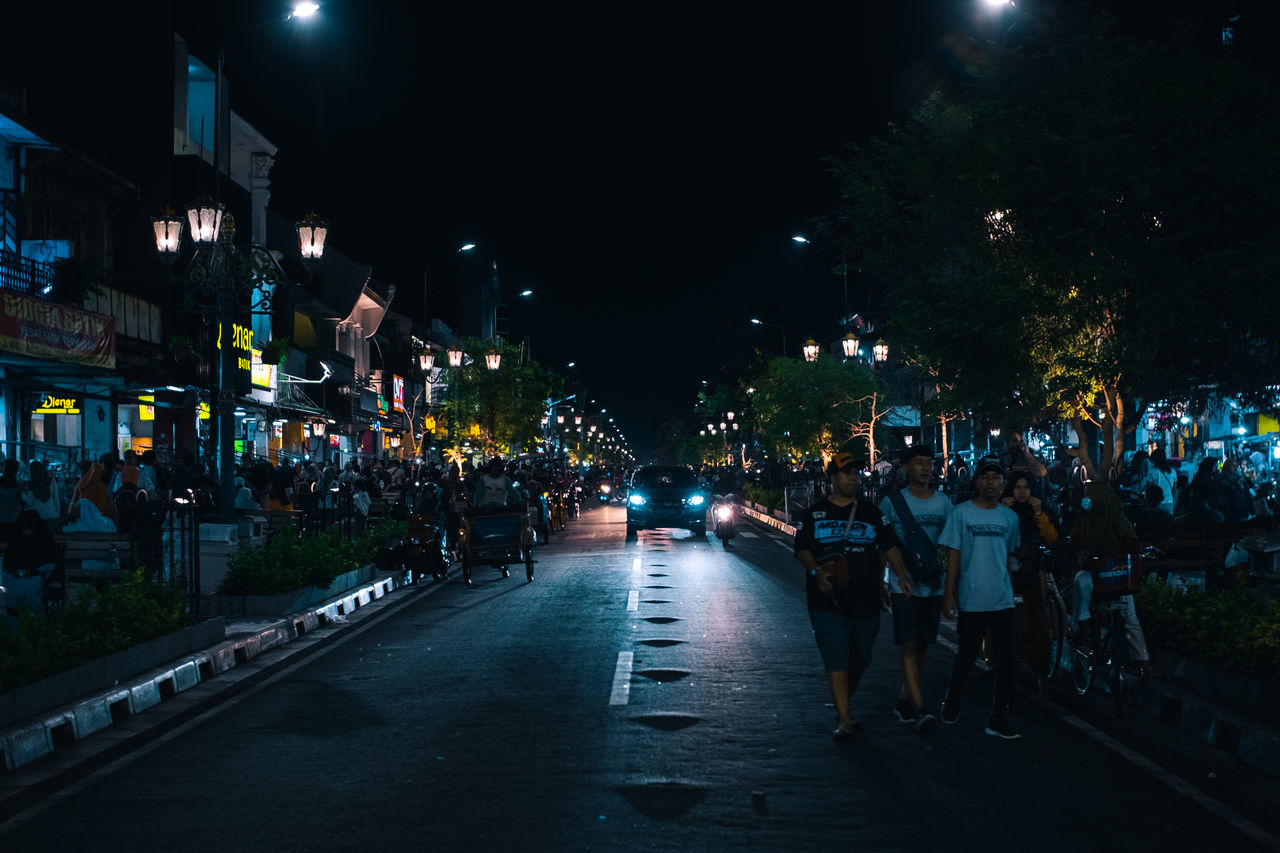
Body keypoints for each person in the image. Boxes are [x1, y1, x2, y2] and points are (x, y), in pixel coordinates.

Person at [794, 452, 912, 740]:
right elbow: (802, 549)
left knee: (860, 658)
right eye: (846, 473)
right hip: (827, 600)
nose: (853, 477)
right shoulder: (814, 514)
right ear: (832, 478)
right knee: (837, 657)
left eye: (856, 472)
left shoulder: (872, 513)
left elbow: (888, 546)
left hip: (867, 598)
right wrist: (816, 572)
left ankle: (843, 702)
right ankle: (845, 718)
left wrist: (901, 574)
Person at [939, 455, 1023, 739]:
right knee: (966, 656)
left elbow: (1008, 557)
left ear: (1003, 484)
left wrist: (1012, 594)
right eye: (985, 476)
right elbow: (953, 556)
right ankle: (952, 701)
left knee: (1009, 659)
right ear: (976, 481)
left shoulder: (1009, 518)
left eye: (995, 477)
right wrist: (949, 595)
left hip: (1002, 599)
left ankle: (998, 716)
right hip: (972, 598)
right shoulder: (961, 513)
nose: (990, 482)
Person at [878, 444, 951, 732]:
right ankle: (920, 707)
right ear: (906, 467)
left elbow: (949, 545)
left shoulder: (944, 503)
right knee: (908, 645)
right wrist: (883, 580)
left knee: (922, 645)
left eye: (929, 463)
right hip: (903, 584)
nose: (925, 468)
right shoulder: (892, 503)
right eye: (919, 463)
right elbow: (883, 545)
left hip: (933, 585)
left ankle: (904, 698)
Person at [1069, 479, 1153, 676]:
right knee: (1081, 583)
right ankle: (1082, 626)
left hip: (1119, 574)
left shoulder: (1119, 520)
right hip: (1094, 573)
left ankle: (1142, 659)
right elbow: (1073, 543)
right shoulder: (1084, 520)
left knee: (1129, 615)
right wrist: (1080, 554)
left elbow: (1132, 544)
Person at [1001, 469, 1059, 682]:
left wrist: (1038, 513)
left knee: (1036, 620)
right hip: (1006, 572)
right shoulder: (1002, 509)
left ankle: (1039, 667)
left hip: (1032, 572)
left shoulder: (1038, 509)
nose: (1022, 492)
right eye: (1018, 487)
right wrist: (1004, 512)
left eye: (1026, 487)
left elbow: (1051, 536)